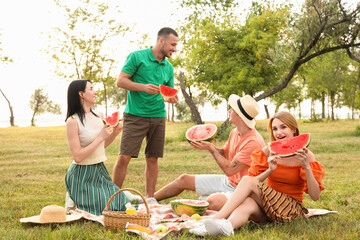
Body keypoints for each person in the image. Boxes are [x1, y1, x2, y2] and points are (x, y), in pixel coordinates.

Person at [191, 111, 326, 236]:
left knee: (247, 180)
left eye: (283, 127)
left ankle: (217, 218)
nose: (278, 132)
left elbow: (315, 196)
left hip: (290, 208)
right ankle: (227, 227)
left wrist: (307, 167)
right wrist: (270, 170)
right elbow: (253, 184)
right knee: (249, 202)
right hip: (270, 207)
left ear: (294, 129)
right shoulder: (268, 151)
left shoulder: (307, 156)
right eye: (275, 129)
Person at [153, 94, 265, 210]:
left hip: (241, 190)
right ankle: (148, 199)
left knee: (212, 202)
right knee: (184, 179)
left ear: (240, 116)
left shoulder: (253, 142)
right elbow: (224, 152)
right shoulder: (235, 132)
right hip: (229, 182)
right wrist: (208, 147)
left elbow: (229, 170)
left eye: (233, 109)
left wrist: (211, 149)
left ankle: (191, 204)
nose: (229, 110)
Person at [113, 27, 179, 202]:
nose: (175, 48)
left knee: (153, 158)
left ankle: (150, 198)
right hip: (135, 115)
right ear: (161, 41)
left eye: (176, 45)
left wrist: (171, 98)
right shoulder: (137, 57)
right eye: (172, 44)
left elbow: (167, 92)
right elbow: (120, 81)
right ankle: (112, 197)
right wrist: (143, 87)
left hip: (158, 116)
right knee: (124, 157)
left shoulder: (169, 67)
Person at [64, 79, 128, 216]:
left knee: (120, 203)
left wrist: (115, 133)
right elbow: (78, 157)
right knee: (102, 210)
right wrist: (100, 137)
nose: (95, 92)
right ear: (81, 94)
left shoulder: (99, 115)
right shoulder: (72, 121)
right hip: (81, 175)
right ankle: (74, 197)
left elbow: (101, 146)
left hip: (99, 171)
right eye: (91, 89)